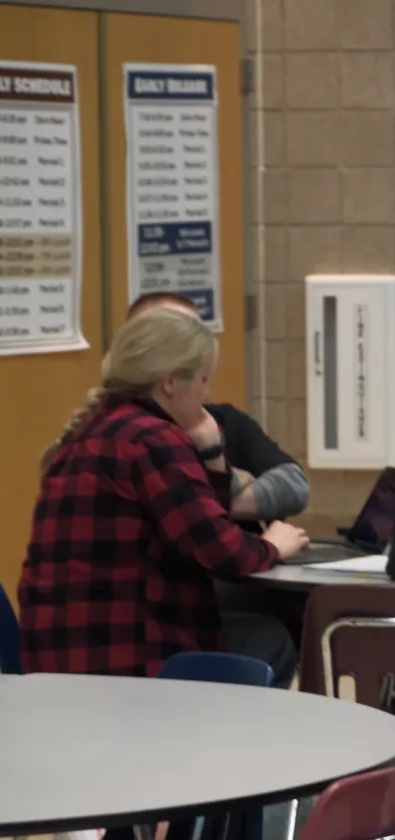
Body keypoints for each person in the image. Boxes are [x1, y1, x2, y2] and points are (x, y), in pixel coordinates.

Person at [20, 308, 310, 681]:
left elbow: (198, 517)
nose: (208, 394)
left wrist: (211, 454)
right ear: (171, 382)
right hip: (125, 654)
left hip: (60, 650)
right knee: (271, 638)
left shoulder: (90, 431)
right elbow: (220, 551)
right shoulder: (152, 438)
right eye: (203, 380)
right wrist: (272, 546)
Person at [128, 292, 308, 523]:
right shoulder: (129, 436)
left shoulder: (221, 419)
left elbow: (294, 485)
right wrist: (232, 481)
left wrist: (210, 500)